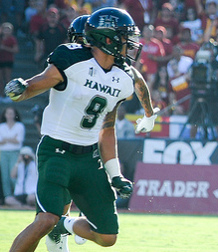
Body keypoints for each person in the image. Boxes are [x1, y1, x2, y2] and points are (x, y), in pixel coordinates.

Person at [5, 7, 139, 251]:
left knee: (108, 237)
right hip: (56, 151)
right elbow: (37, 84)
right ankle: (55, 225)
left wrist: (115, 174)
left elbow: (107, 129)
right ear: (107, 39)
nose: (129, 45)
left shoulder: (123, 78)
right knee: (46, 219)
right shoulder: (72, 59)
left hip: (89, 157)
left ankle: (64, 226)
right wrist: (22, 89)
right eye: (124, 38)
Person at [67, 14, 159, 135]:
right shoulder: (69, 61)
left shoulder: (114, 62)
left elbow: (137, 79)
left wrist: (149, 115)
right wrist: (149, 115)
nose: (126, 43)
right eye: (122, 37)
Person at [1, 106, 25, 203]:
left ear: (15, 115)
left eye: (11, 113)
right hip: (3, 153)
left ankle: (17, 195)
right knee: (5, 176)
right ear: (5, 115)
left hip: (15, 152)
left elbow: (18, 141)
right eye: (8, 113)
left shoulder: (19, 126)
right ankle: (7, 196)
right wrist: (12, 138)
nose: (10, 115)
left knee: (14, 175)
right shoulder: (1, 126)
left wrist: (5, 139)